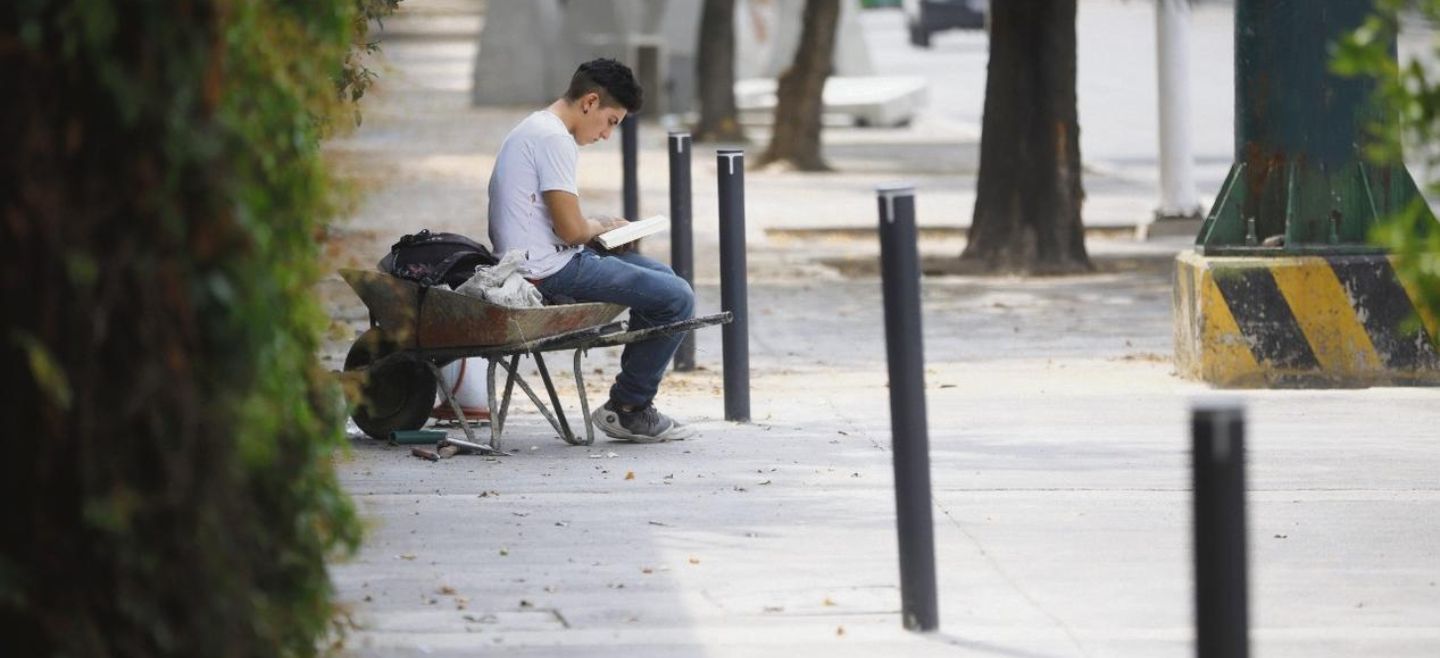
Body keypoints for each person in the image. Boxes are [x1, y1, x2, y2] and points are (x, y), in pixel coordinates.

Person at [486, 58, 695, 442]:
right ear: (590, 102)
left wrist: (599, 229)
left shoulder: (536, 128)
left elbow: (557, 223)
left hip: (545, 259)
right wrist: (598, 227)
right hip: (545, 272)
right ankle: (628, 409)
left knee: (665, 279)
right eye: (611, 121)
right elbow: (571, 229)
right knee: (677, 297)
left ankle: (631, 402)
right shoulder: (554, 140)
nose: (607, 135)